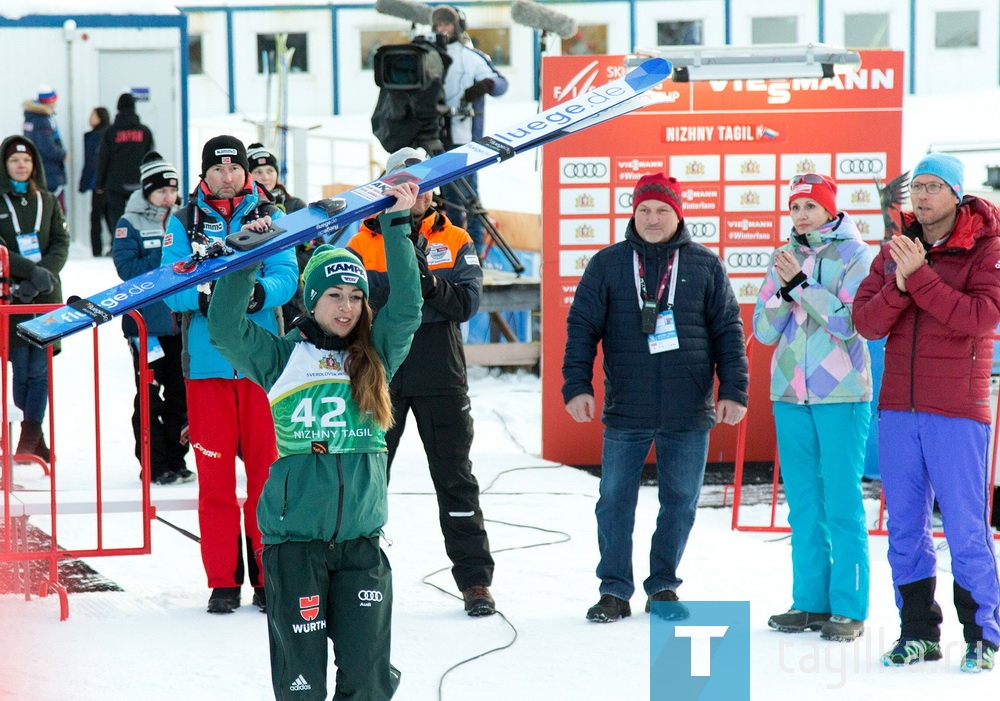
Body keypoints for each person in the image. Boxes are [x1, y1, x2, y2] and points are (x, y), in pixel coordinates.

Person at [206, 181, 422, 699]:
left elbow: (409, 306)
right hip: (294, 544)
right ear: (311, 297)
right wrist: (247, 258)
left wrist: (397, 223)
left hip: (361, 544)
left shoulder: (377, 355)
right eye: (334, 294)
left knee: (367, 679)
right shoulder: (282, 359)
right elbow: (226, 330)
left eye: (355, 296)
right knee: (301, 681)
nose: (345, 306)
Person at [562, 172, 749, 623]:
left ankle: (663, 584)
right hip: (626, 408)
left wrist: (735, 390)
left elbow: (728, 331)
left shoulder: (704, 265)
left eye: (662, 209)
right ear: (633, 211)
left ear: (678, 213)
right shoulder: (607, 264)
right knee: (613, 500)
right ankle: (614, 589)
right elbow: (582, 329)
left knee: (681, 501)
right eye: (644, 209)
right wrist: (576, 385)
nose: (652, 218)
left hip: (689, 410)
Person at [853, 153, 1000, 672]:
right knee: (905, 528)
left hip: (957, 408)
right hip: (898, 408)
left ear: (956, 193)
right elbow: (866, 322)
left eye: (935, 186)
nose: (922, 196)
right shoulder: (897, 249)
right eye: (917, 186)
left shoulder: (987, 247)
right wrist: (900, 281)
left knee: (965, 528)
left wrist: (920, 280)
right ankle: (917, 632)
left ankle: (983, 633)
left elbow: (981, 318)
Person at [347, 147, 497, 616]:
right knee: (366, 478)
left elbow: (465, 304)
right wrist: (421, 293)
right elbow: (356, 308)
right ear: (385, 187)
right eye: (402, 182)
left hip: (440, 373)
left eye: (422, 181)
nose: (413, 191)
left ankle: (475, 581)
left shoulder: (454, 236)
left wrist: (423, 285)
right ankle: (353, 576)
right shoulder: (359, 241)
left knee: (455, 479)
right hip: (381, 372)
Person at [160, 135, 298, 614]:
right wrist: (206, 300)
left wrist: (255, 296)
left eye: (234, 169)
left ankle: (268, 577)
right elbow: (169, 286)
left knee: (267, 478)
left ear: (245, 172)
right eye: (217, 170)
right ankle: (223, 581)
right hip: (207, 370)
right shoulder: (182, 220)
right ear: (204, 174)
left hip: (262, 368)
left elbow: (287, 274)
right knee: (215, 484)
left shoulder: (270, 216)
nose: (227, 177)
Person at [752, 173, 874, 642]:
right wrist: (786, 288)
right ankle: (809, 602)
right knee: (803, 504)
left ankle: (849, 607)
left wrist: (800, 284)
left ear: (830, 210)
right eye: (795, 207)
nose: (801, 215)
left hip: (841, 392)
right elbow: (763, 330)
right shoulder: (783, 257)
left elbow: (849, 324)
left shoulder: (856, 256)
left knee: (842, 501)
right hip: (789, 392)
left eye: (810, 206)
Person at [111, 151, 191, 487]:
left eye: (172, 190)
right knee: (149, 396)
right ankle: (153, 463)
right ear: (147, 191)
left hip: (179, 324)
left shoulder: (184, 218)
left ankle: (176, 459)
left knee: (179, 395)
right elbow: (127, 271)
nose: (168, 197)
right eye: (161, 191)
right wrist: (167, 256)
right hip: (147, 328)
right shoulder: (128, 223)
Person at [0, 135, 70, 461]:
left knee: (40, 369)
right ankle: (33, 439)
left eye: (26, 160)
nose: (21, 165)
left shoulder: (48, 200)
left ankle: (29, 437)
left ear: (34, 165)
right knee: (22, 368)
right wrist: (30, 273)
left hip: (45, 294)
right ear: (5, 165)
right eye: (15, 161)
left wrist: (43, 276)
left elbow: (61, 241)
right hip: (13, 294)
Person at [431, 5, 508, 255]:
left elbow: (500, 83)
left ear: (458, 25)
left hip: (466, 141)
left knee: (469, 199)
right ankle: (453, 251)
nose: (442, 29)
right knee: (450, 201)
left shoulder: (470, 56)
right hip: (435, 137)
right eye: (438, 24)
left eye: (447, 24)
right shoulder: (427, 54)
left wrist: (485, 84)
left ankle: (472, 253)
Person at [246, 142, 310, 330]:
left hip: (292, 293)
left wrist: (282, 263)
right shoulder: (246, 209)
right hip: (258, 294)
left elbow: (313, 249)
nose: (266, 177)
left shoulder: (295, 206)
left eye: (270, 170)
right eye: (258, 172)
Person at [96, 92, 154, 235]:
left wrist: (99, 184)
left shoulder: (110, 132)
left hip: (115, 183)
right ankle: (140, 243)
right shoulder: (145, 132)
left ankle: (118, 244)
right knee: (140, 215)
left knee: (116, 217)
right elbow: (151, 158)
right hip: (139, 183)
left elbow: (103, 158)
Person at [21, 86, 67, 212]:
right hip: (49, 173)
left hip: (39, 171)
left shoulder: (32, 118)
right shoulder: (42, 120)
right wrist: (62, 154)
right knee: (55, 210)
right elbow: (47, 146)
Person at [80, 107, 111, 256]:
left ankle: (99, 250)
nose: (90, 118)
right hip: (99, 182)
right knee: (103, 215)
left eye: (93, 115)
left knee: (100, 216)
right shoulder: (92, 135)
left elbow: (94, 162)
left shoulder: (101, 136)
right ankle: (101, 249)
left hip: (100, 183)